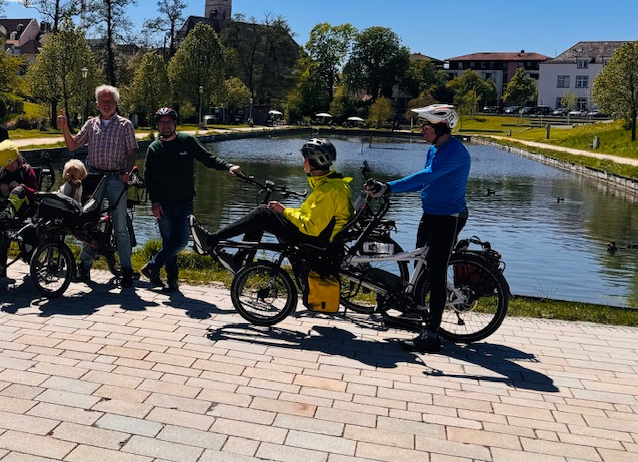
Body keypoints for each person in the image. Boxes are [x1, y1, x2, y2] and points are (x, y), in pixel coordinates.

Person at [369, 104, 470, 353]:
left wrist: (390, 187)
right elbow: (425, 183)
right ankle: (418, 314)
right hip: (431, 214)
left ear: (441, 128)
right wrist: (389, 190)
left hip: (449, 217)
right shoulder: (435, 149)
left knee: (435, 273)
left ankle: (432, 335)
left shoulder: (454, 152)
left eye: (425, 126)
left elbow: (426, 176)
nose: (421, 130)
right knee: (420, 265)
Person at [194, 139, 352, 273]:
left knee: (262, 213)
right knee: (265, 212)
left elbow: (311, 226)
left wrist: (285, 211)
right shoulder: (331, 185)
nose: (303, 162)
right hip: (318, 238)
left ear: (314, 162)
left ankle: (211, 241)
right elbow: (310, 214)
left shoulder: (328, 191)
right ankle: (238, 259)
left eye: (305, 159)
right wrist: (284, 211)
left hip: (315, 243)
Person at [142, 107, 240, 292]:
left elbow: (207, 158)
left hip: (185, 202)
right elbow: (150, 179)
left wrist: (228, 167)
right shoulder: (154, 149)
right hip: (163, 204)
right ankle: (172, 282)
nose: (166, 125)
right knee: (169, 242)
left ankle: (152, 266)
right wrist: (154, 202)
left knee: (180, 241)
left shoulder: (187, 141)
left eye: (169, 121)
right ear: (158, 125)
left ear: (175, 123)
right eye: (162, 122)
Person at [57, 85, 139, 287]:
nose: (107, 104)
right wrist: (65, 128)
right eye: (103, 101)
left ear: (116, 102)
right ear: (97, 104)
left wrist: (127, 173)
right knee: (88, 223)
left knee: (120, 226)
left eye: (110, 100)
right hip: (93, 177)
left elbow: (131, 152)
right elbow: (73, 145)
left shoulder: (125, 125)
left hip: (115, 177)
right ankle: (84, 267)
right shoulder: (90, 124)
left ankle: (127, 269)